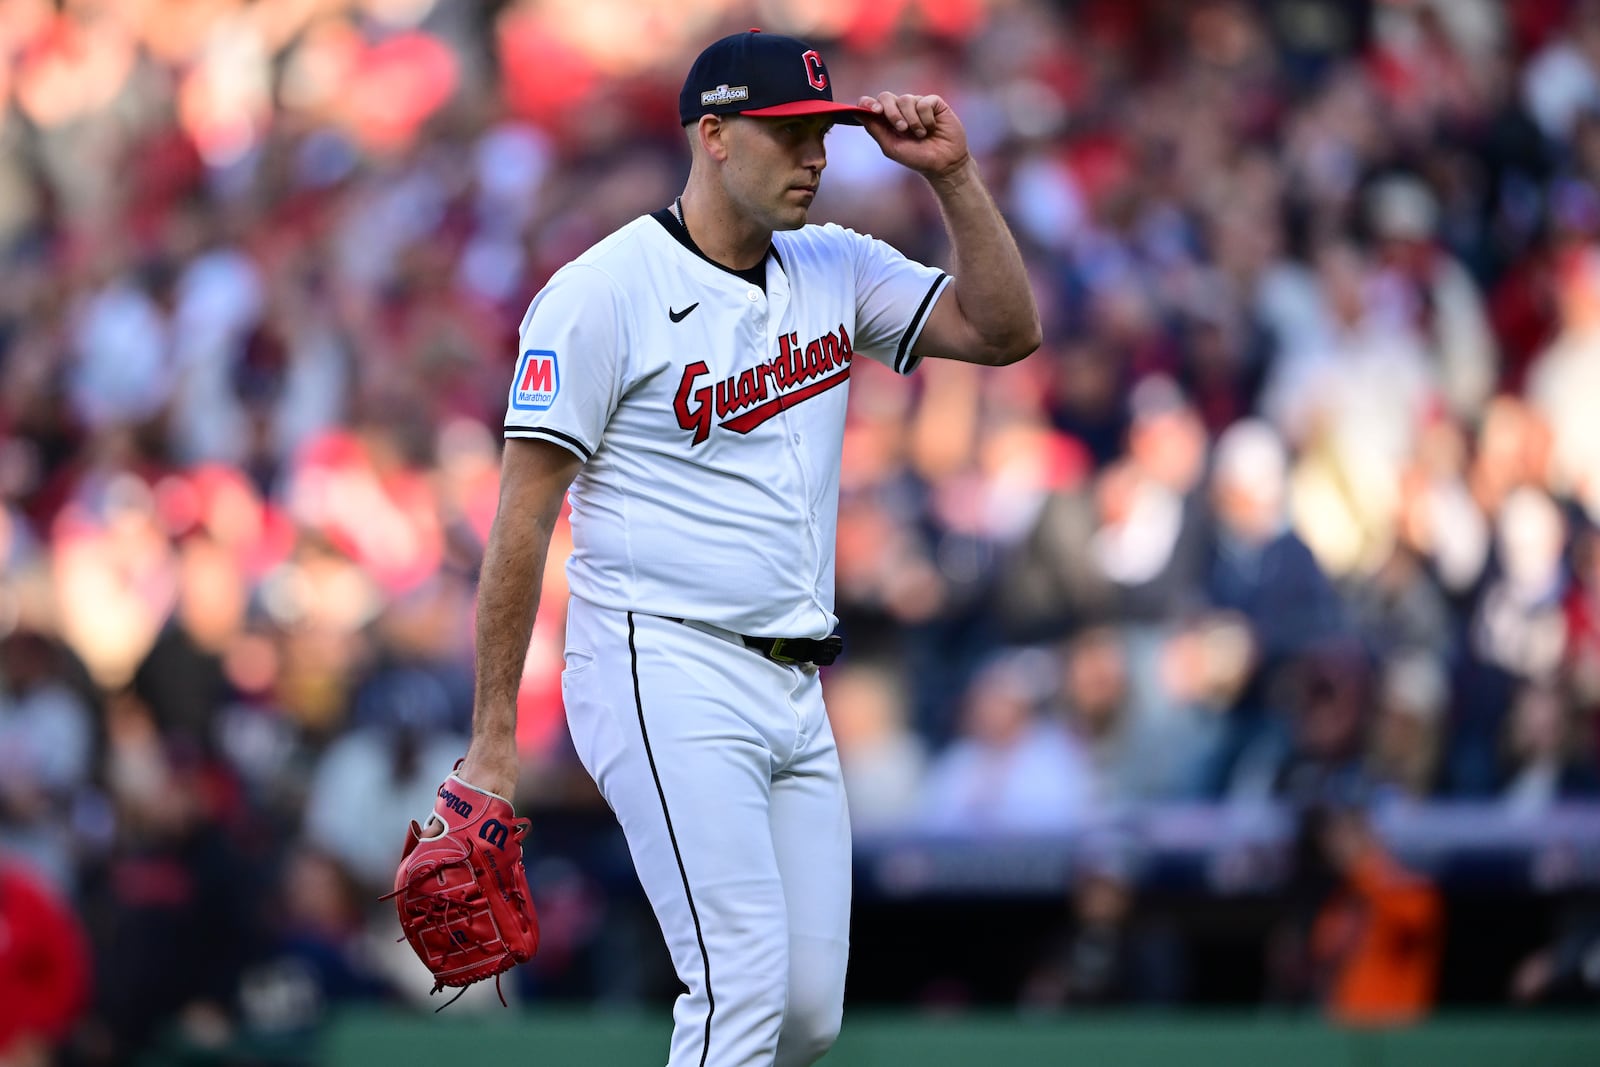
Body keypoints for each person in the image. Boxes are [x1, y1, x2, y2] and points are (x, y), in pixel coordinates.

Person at [428, 28, 1039, 1067]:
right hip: (661, 661)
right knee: (743, 986)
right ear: (712, 135)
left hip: (796, 680)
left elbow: (1001, 330)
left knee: (806, 1012)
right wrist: (492, 740)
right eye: (788, 134)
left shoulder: (834, 267)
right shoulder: (600, 291)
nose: (814, 157)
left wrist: (956, 178)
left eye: (823, 133)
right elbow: (522, 519)